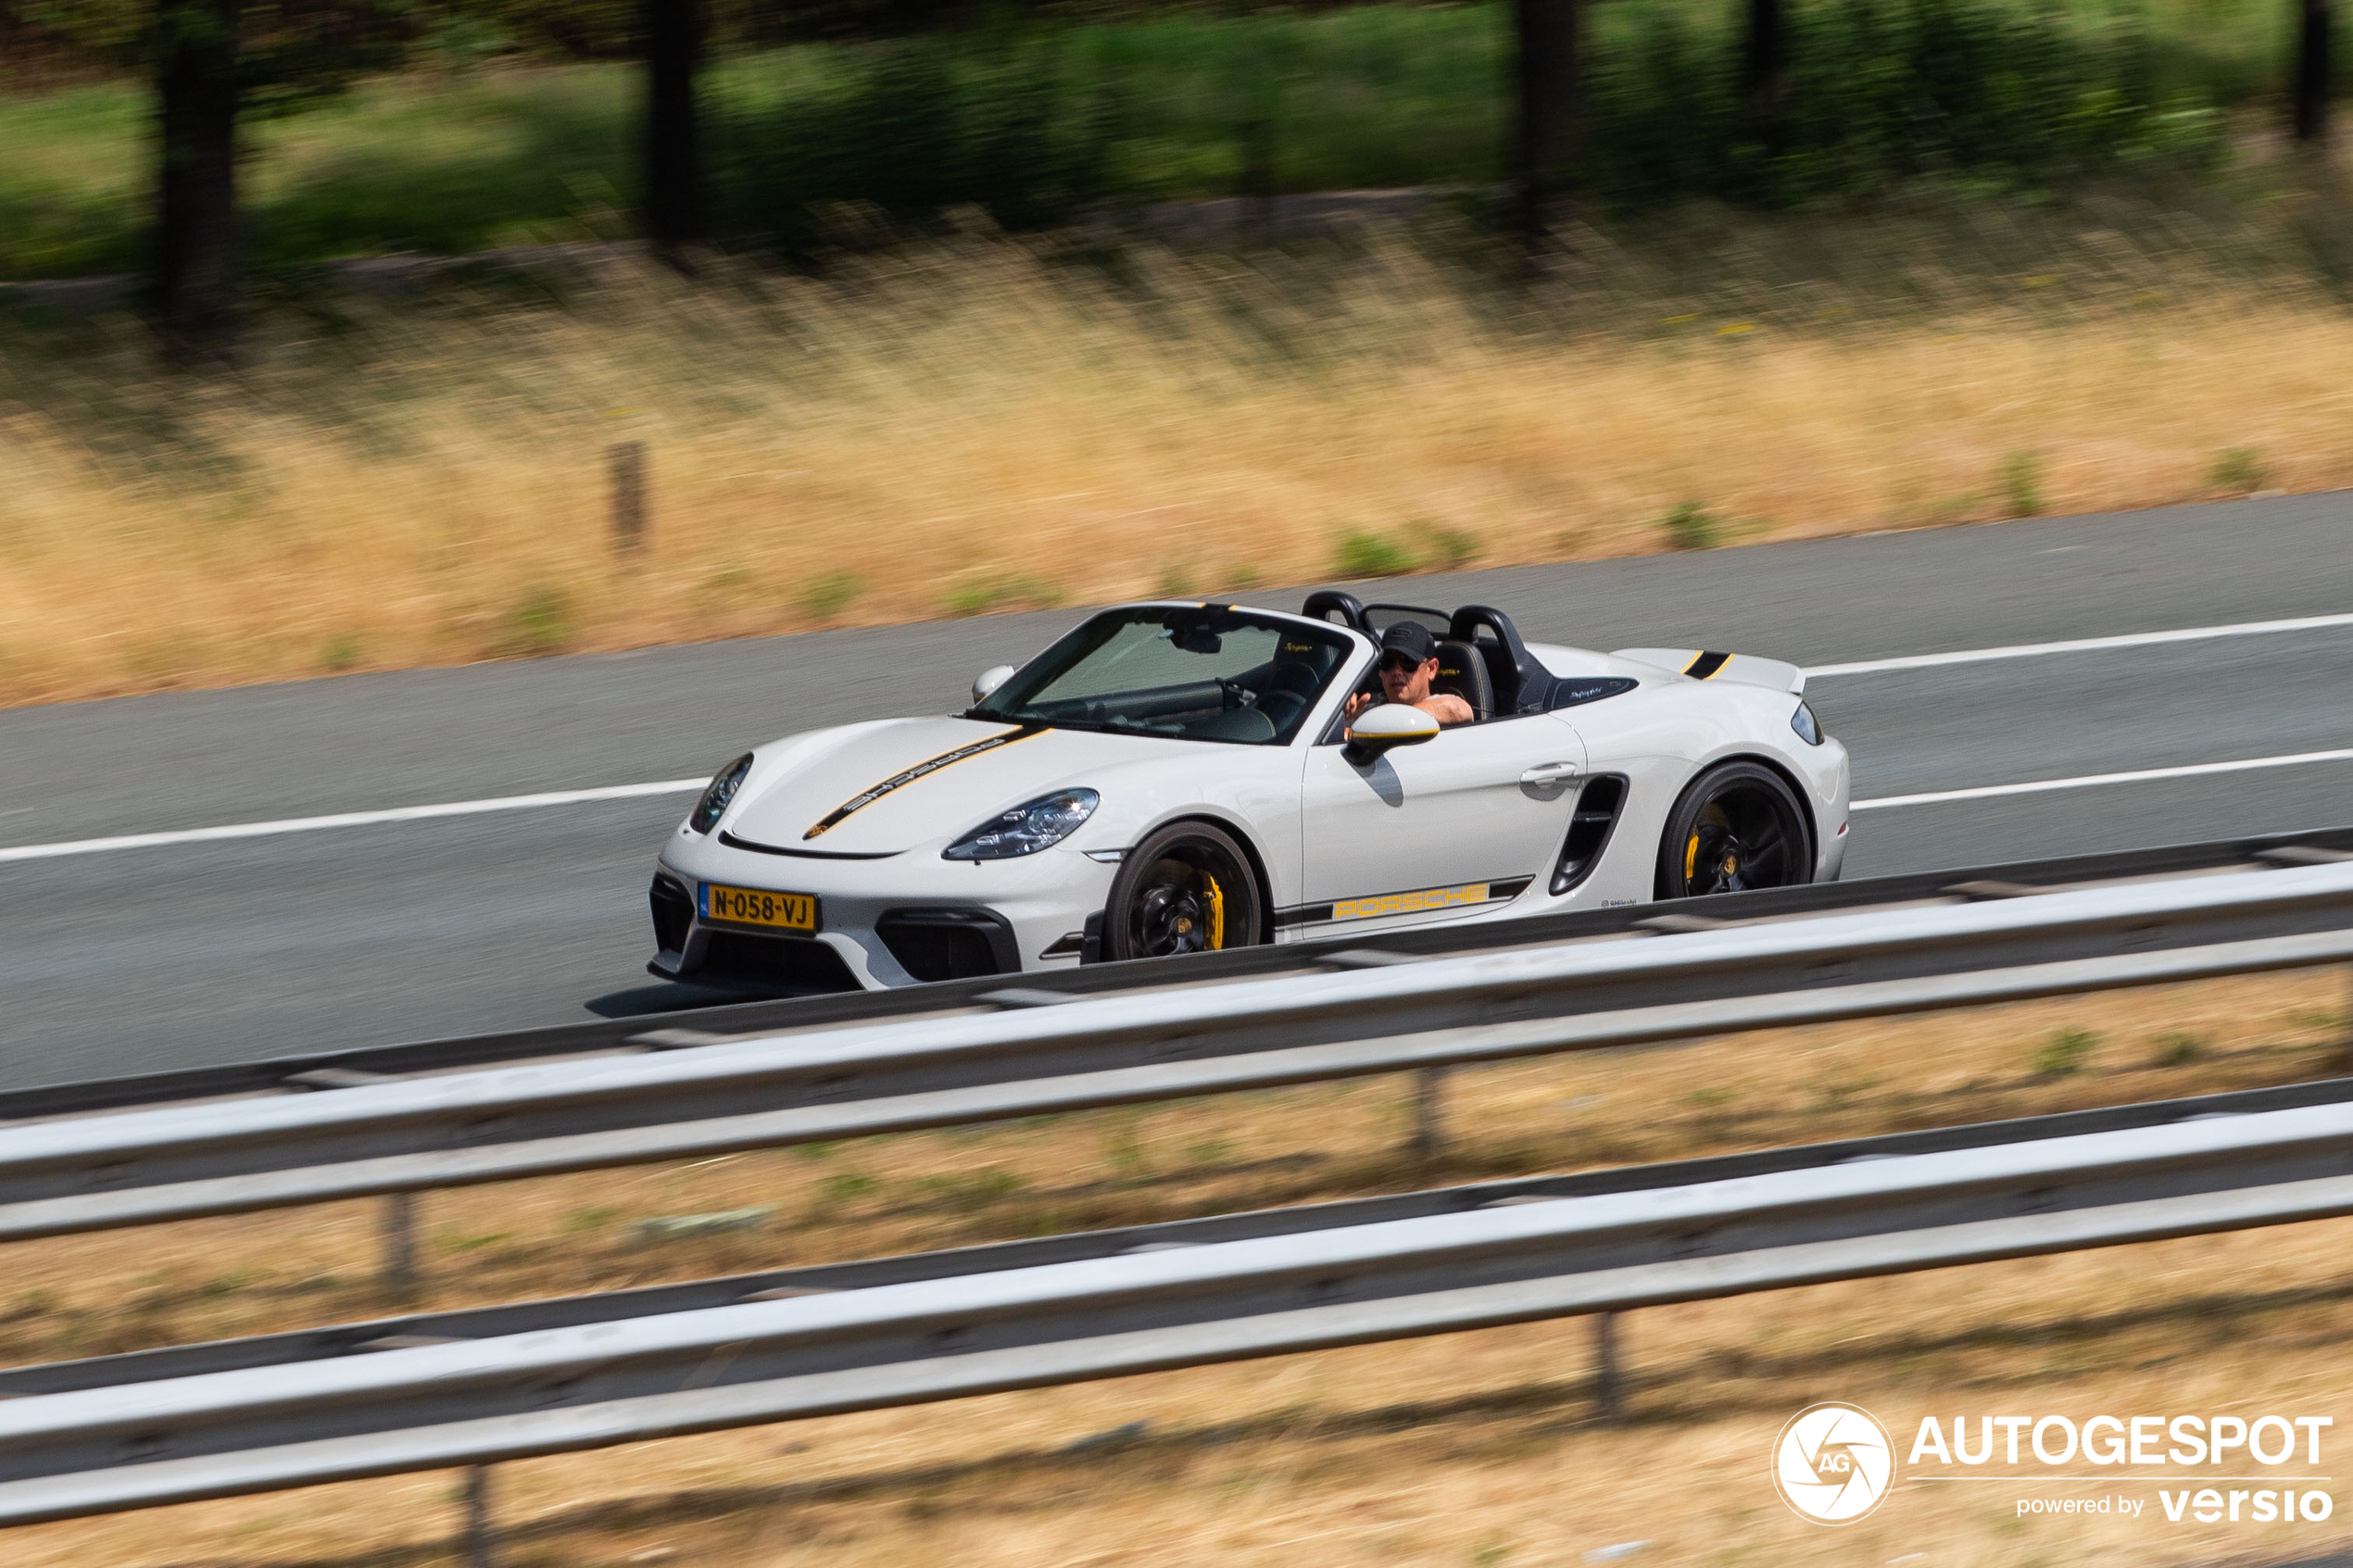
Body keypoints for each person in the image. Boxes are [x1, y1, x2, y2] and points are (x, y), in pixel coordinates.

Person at [1343, 621, 1474, 728]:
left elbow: (1458, 710)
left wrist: (1388, 719)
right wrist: (1347, 721)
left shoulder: (1444, 704)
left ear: (1431, 669)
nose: (1396, 671)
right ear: (1380, 671)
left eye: (1408, 662)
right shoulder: (1366, 712)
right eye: (1387, 662)